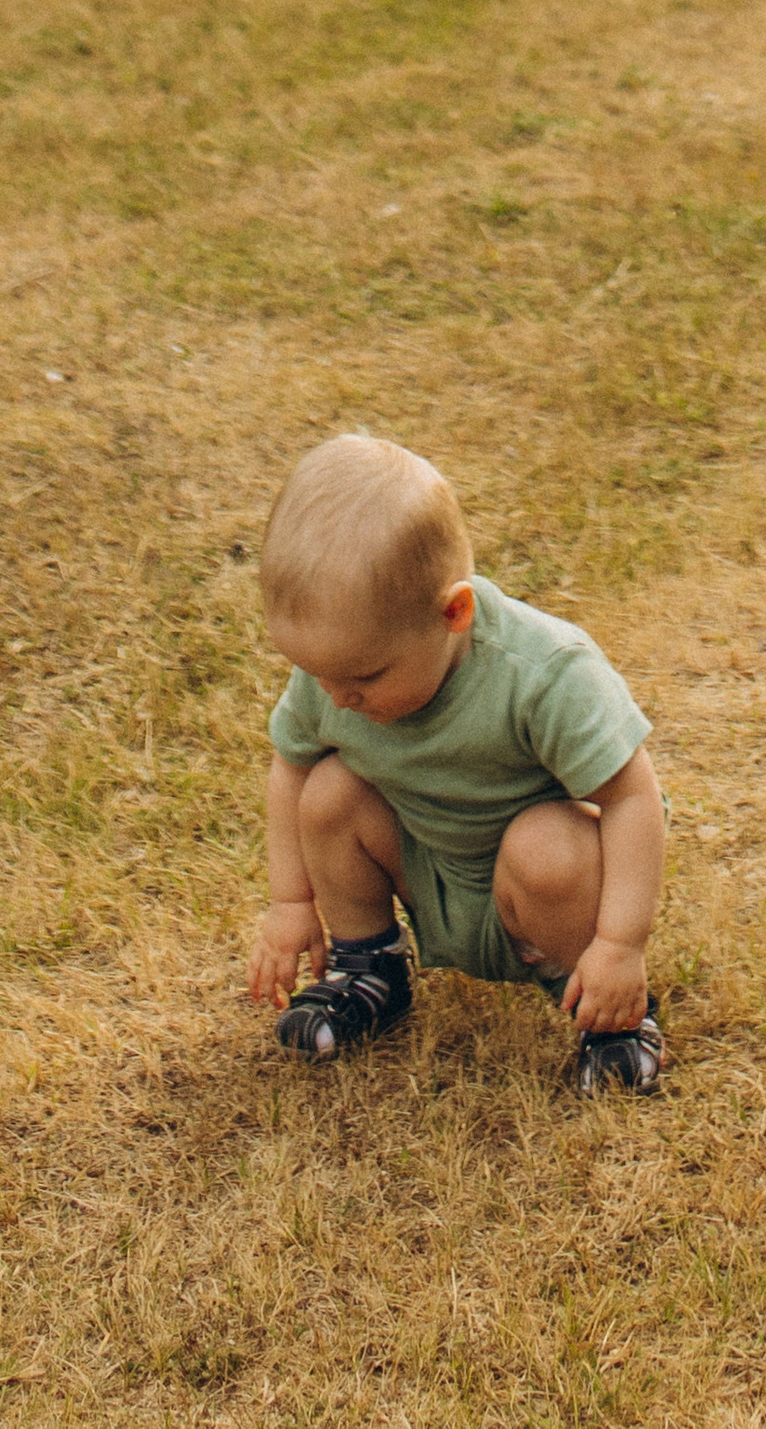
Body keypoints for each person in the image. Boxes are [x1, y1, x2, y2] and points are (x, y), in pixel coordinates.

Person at [247, 432, 666, 1094]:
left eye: (363, 676)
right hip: (432, 872)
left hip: (543, 895)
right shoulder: (334, 678)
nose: (336, 697)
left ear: (455, 612)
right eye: (312, 672)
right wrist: (290, 901)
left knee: (547, 845)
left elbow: (632, 798)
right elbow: (289, 768)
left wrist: (620, 944)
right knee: (329, 791)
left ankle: (609, 1017)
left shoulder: (545, 674)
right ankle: (368, 970)